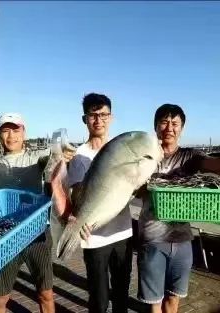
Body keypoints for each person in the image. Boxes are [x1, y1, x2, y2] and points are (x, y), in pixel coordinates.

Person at [137, 104, 220, 313]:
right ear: (155, 126)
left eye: (175, 123)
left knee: (173, 300)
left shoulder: (190, 157)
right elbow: (130, 189)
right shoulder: (144, 158)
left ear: (182, 128)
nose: (169, 127)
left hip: (182, 239)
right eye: (164, 122)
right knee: (155, 304)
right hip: (152, 239)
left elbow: (215, 165)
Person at [0, 113, 75, 313]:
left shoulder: (36, 157)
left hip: (37, 234)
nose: (11, 136)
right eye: (6, 130)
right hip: (4, 237)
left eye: (16, 130)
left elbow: (52, 159)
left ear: (24, 133)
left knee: (46, 295)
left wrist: (61, 154)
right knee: (1, 298)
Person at [66, 93, 133, 313]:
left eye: (104, 114)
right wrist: (75, 219)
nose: (99, 120)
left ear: (111, 117)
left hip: (122, 233)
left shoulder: (121, 149)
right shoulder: (78, 156)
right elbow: (76, 195)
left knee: (122, 296)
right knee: (99, 299)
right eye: (93, 115)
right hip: (93, 238)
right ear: (84, 119)